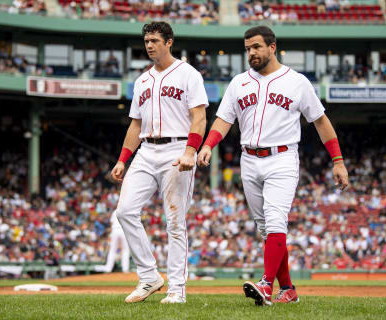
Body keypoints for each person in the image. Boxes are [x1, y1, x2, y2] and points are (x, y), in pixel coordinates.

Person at [197, 26, 348, 306]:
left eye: (256, 47)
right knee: (266, 229)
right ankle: (288, 289)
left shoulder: (297, 82)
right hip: (249, 159)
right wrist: (207, 145)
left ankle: (266, 285)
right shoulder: (238, 82)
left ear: (272, 47)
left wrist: (338, 161)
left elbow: (320, 121)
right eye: (247, 48)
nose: (251, 53)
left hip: (282, 157)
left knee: (276, 220)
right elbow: (223, 120)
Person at [111, 21, 208, 304]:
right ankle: (150, 276)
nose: (149, 45)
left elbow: (199, 117)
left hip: (177, 148)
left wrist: (191, 151)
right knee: (125, 211)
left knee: (175, 221)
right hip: (145, 149)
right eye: (146, 40)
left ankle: (177, 289)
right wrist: (122, 160)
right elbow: (135, 125)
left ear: (169, 42)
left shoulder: (188, 74)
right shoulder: (142, 80)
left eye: (154, 40)